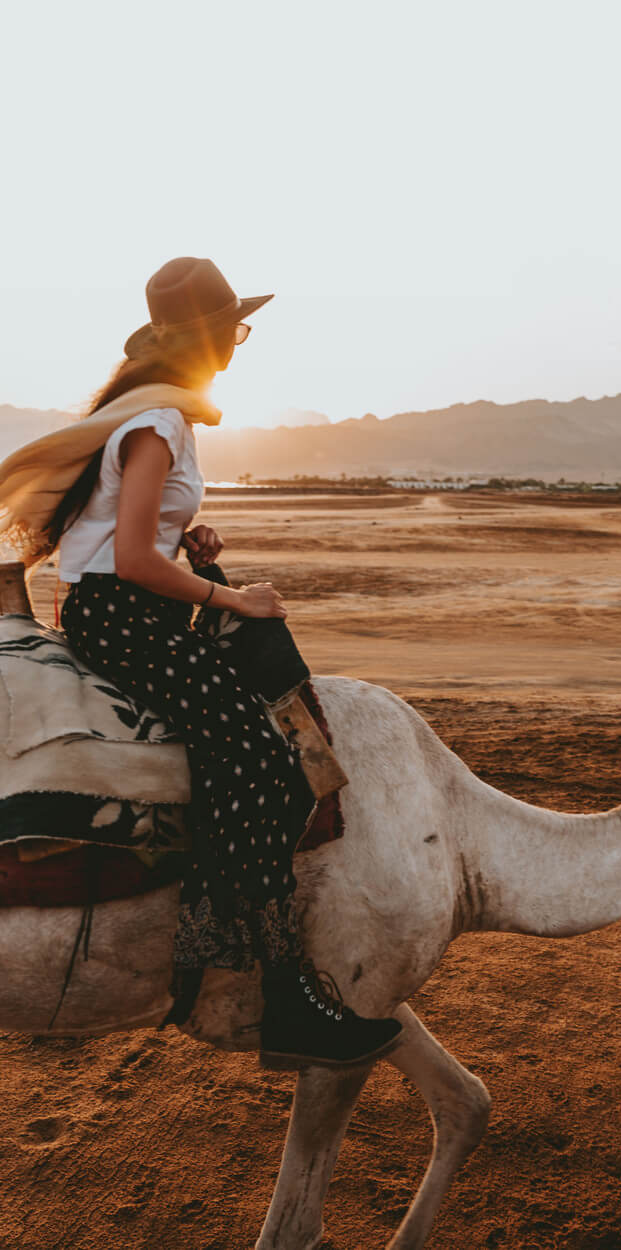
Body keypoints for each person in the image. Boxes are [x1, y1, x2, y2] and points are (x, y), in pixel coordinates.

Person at [51, 257, 402, 1069]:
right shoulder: (159, 424)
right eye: (233, 329)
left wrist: (193, 542)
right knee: (255, 752)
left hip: (131, 605)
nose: (238, 344)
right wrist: (231, 598)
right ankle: (277, 996)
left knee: (263, 731)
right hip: (125, 617)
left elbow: (136, 540)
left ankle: (234, 941)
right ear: (205, 337)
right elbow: (131, 559)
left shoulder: (159, 417)